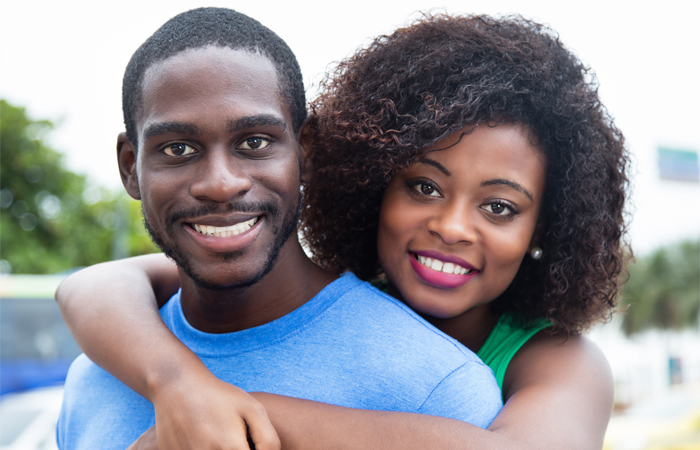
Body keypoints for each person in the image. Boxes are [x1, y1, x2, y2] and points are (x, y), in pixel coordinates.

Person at [57, 13, 629, 450]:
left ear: (546, 227)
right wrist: (177, 384)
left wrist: (223, 412)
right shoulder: (108, 370)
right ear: (373, 185)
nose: (452, 227)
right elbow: (94, 288)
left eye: (500, 207)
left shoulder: (539, 364)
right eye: (424, 188)